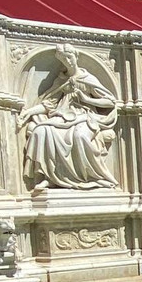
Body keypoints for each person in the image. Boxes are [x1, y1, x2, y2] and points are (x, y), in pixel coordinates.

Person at [19, 43, 119, 190]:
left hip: (84, 117)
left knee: (80, 136)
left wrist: (87, 99)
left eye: (69, 57)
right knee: (40, 131)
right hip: (61, 116)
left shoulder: (87, 78)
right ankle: (49, 177)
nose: (68, 61)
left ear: (76, 56)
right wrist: (29, 112)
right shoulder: (61, 80)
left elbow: (110, 102)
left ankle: (90, 177)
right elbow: (49, 104)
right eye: (64, 59)